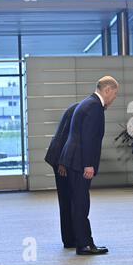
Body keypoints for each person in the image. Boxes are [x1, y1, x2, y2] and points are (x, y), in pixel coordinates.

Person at [59, 75, 119, 255]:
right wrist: (88, 164)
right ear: (107, 90)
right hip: (79, 162)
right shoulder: (95, 107)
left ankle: (81, 241)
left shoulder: (86, 103)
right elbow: (89, 138)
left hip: (73, 159)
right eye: (114, 95)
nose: (114, 99)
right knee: (81, 203)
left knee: (78, 202)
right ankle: (84, 244)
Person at [44, 102, 78, 248]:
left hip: (58, 157)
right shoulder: (79, 111)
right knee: (66, 201)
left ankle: (69, 237)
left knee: (67, 200)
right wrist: (63, 162)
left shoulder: (75, 108)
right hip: (60, 159)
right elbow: (66, 138)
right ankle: (69, 239)